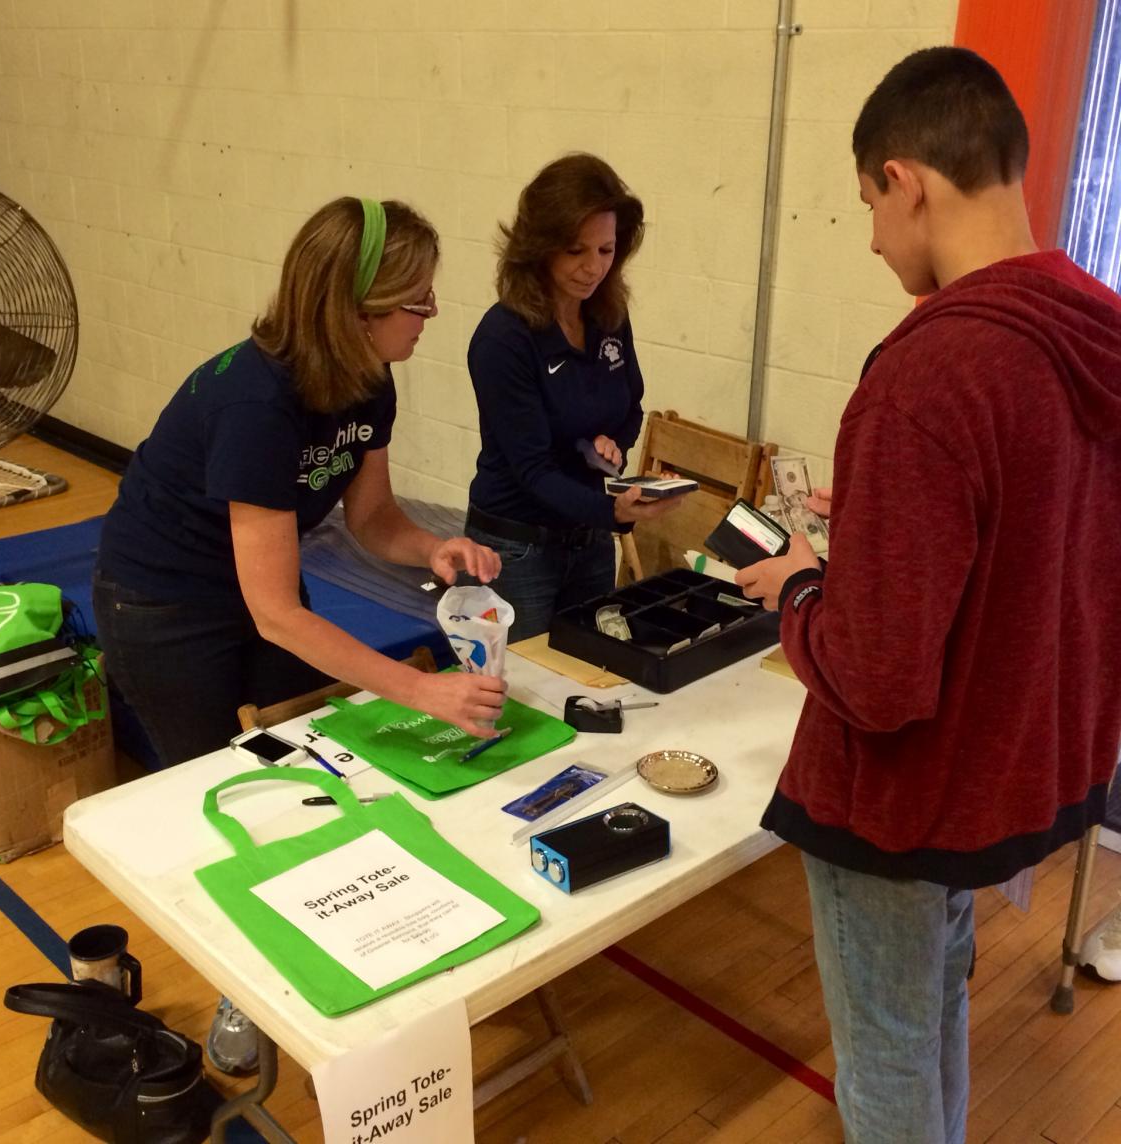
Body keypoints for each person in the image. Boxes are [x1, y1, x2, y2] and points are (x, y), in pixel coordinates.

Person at [733, 47, 1121, 1143]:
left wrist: (804, 589)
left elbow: (881, 676)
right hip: (1014, 772)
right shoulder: (1098, 328)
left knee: (889, 1065)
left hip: (902, 799)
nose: (869, 239)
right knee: (932, 1013)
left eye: (867, 203)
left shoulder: (931, 372)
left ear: (907, 180)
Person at [93, 197, 506, 768]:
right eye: (420, 301)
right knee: (216, 772)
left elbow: (373, 518)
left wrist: (433, 548)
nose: (431, 314)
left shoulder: (370, 375)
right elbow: (278, 614)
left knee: (304, 747)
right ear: (360, 312)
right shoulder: (255, 405)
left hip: (257, 582)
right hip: (164, 599)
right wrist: (422, 692)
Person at [464, 153, 681, 642]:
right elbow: (533, 469)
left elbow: (630, 407)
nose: (592, 269)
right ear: (539, 247)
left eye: (605, 251)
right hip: (517, 548)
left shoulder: (608, 315)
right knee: (521, 697)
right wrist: (616, 512)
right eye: (575, 251)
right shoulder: (504, 338)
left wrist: (615, 443)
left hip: (589, 541)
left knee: (590, 676)